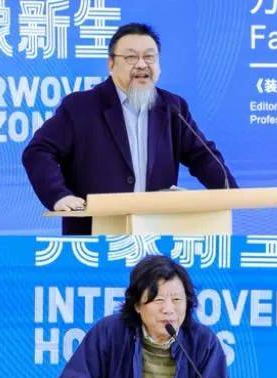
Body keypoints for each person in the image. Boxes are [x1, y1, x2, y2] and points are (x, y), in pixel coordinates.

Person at [22, 23, 238, 235]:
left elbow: (202, 156)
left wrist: (229, 191)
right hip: (95, 236)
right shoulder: (81, 107)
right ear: (111, 63)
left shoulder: (172, 107)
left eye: (149, 57)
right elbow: (38, 151)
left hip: (156, 235)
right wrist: (59, 195)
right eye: (131, 57)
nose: (142, 65)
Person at [51, 255, 232, 378]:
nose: (168, 309)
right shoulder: (110, 333)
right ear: (137, 305)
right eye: (158, 300)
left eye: (177, 300)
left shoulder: (203, 342)